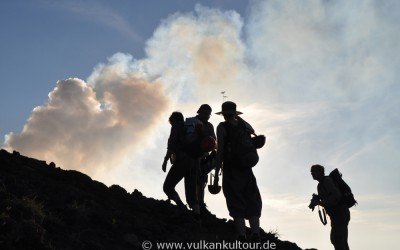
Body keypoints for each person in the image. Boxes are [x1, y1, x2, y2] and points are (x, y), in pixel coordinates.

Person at [213, 101, 262, 241]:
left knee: (235, 199)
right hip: (247, 168)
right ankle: (255, 233)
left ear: (223, 114)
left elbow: (220, 151)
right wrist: (238, 118)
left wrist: (216, 174)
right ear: (235, 113)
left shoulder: (222, 127)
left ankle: (241, 235)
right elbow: (253, 131)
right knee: (252, 199)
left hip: (231, 168)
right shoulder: (243, 125)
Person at [310, 164, 350, 250]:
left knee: (337, 239)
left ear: (321, 172)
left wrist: (319, 202)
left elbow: (337, 196)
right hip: (336, 214)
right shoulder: (320, 185)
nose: (312, 173)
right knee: (340, 240)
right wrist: (317, 199)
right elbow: (326, 196)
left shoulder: (327, 181)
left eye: (314, 171)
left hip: (340, 212)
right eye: (311, 172)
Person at [162, 111, 187, 209]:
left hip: (181, 161)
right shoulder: (187, 128)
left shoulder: (176, 127)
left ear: (173, 120)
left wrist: (165, 161)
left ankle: (181, 206)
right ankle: (196, 213)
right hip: (192, 162)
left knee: (167, 187)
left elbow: (171, 145)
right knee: (192, 192)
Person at [195, 104, 217, 216]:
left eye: (209, 114)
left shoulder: (208, 125)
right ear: (200, 112)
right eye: (206, 114)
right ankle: (197, 205)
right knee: (197, 179)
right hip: (194, 155)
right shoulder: (193, 122)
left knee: (201, 179)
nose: (208, 116)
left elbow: (214, 141)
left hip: (203, 156)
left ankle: (200, 204)